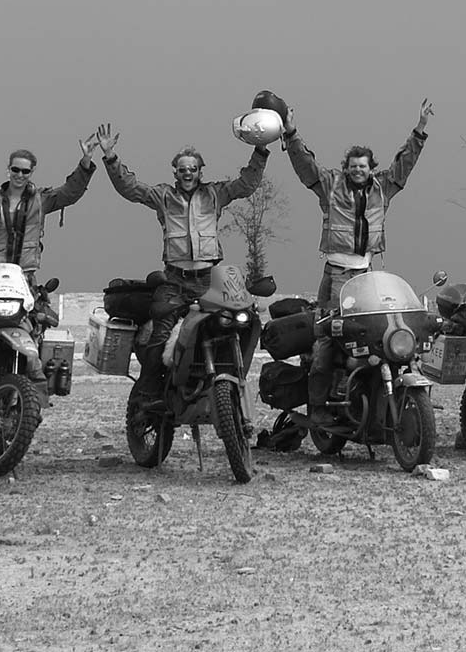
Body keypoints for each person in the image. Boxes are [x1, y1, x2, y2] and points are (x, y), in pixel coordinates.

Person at [95, 119, 270, 407]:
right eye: (182, 169)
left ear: (201, 171)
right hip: (175, 281)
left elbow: (247, 184)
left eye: (193, 169)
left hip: (209, 279)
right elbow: (130, 188)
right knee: (160, 334)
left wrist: (260, 150)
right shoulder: (163, 196)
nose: (188, 173)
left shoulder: (215, 194)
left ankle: (224, 383)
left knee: (233, 325)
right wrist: (110, 157)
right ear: (175, 172)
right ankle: (150, 392)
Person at [281, 97, 434, 424]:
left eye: (363, 166)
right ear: (346, 167)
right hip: (337, 274)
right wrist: (291, 133)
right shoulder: (330, 185)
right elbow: (305, 165)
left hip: (367, 274)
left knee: (378, 336)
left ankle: (375, 398)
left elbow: (404, 164)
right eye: (353, 166)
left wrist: (420, 130)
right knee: (328, 338)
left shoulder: (383, 188)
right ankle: (318, 407)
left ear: (371, 168)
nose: (357, 170)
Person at [0, 136, 98, 427]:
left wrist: (86, 162)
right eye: (16, 169)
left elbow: (71, 192)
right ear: (8, 169)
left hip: (25, 280)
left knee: (34, 339)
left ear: (32, 172)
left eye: (25, 171)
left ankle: (34, 405)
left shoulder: (41, 200)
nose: (20, 175)